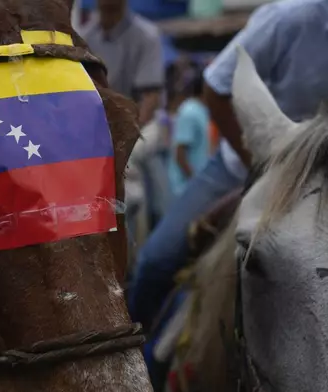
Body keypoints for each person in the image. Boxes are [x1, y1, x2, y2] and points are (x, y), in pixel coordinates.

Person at [128, 0, 328, 387]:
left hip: (318, 179)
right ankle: (135, 367)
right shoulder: (291, 18)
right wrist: (264, 166)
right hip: (244, 161)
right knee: (156, 260)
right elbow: (217, 86)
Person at [76, 0, 164, 128]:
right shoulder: (84, 37)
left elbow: (150, 98)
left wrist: (127, 140)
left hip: (133, 127)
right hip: (92, 126)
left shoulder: (147, 36)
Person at [167, 66, 209, 196]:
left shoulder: (202, 110)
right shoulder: (189, 112)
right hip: (185, 188)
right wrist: (195, 182)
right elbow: (180, 153)